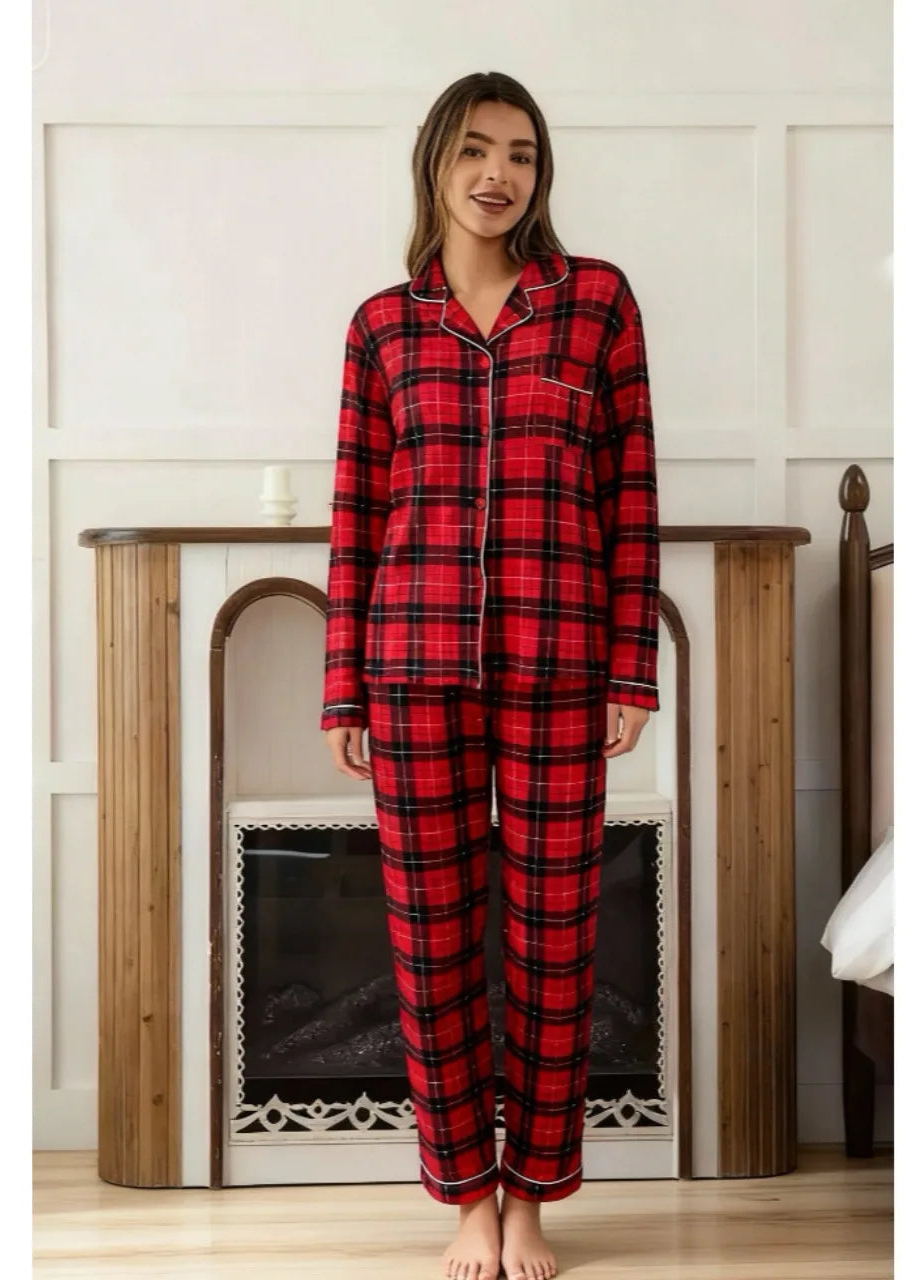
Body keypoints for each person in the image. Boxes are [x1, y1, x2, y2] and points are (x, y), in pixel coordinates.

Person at [319, 71, 660, 1280]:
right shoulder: (381, 326)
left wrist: (630, 669)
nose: (495, 172)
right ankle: (467, 1192)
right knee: (429, 941)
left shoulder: (595, 304)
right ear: (435, 163)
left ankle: (533, 1194)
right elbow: (356, 513)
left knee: (556, 942)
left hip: (562, 665)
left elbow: (629, 497)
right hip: (409, 667)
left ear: (538, 174)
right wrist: (342, 685)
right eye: (473, 148)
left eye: (518, 152)